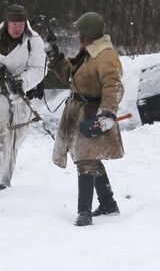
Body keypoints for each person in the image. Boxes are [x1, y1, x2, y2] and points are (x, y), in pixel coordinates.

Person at [45, 12, 124, 226]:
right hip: (78, 111)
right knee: (91, 158)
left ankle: (84, 212)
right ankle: (108, 204)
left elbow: (113, 86)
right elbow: (71, 75)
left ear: (86, 33)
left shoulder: (106, 56)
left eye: (80, 31)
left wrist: (107, 112)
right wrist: (54, 54)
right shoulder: (88, 52)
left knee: (85, 162)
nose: (77, 34)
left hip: (92, 113)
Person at [0, 4, 46, 194]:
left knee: (14, 139)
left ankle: (4, 179)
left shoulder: (33, 40)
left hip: (21, 95)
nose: (17, 28)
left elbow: (39, 68)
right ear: (7, 22)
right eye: (13, 23)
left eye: (21, 23)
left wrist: (22, 81)